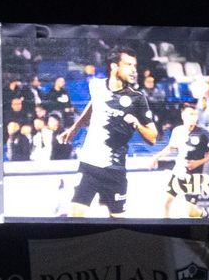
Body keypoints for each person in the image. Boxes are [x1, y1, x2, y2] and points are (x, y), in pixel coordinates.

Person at [64, 49, 159, 217]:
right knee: (75, 215)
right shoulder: (96, 85)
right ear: (114, 66)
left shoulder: (137, 98)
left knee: (118, 225)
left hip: (114, 170)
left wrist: (137, 124)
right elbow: (94, 104)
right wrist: (75, 128)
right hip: (89, 165)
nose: (133, 70)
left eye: (135, 66)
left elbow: (153, 137)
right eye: (128, 65)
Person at [156, 103, 209, 218]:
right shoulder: (177, 131)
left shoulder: (204, 134)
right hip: (178, 172)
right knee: (166, 203)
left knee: (191, 213)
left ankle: (204, 213)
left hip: (194, 177)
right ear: (183, 116)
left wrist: (198, 162)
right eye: (189, 114)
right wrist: (156, 157)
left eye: (194, 114)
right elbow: (171, 148)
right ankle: (164, 230)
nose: (192, 117)